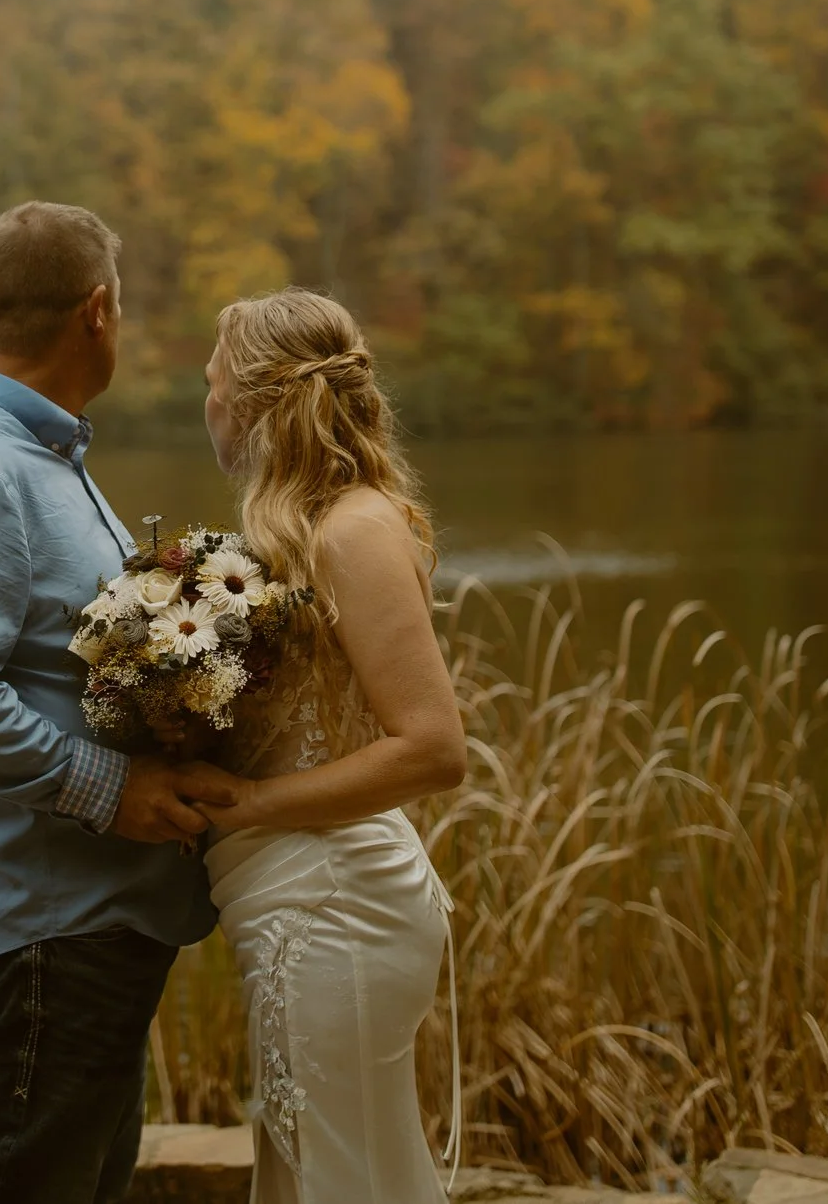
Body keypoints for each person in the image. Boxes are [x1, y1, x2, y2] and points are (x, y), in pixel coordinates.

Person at [0, 201, 233, 1204]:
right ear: (97, 310)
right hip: (45, 931)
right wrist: (110, 787)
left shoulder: (38, 459)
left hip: (88, 925)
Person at [188, 287, 468, 1204]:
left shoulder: (353, 528)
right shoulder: (303, 533)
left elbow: (434, 748)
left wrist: (254, 804)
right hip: (299, 898)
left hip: (341, 904)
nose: (206, 403)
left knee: (343, 1180)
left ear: (254, 402)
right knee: (318, 1172)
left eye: (213, 382)